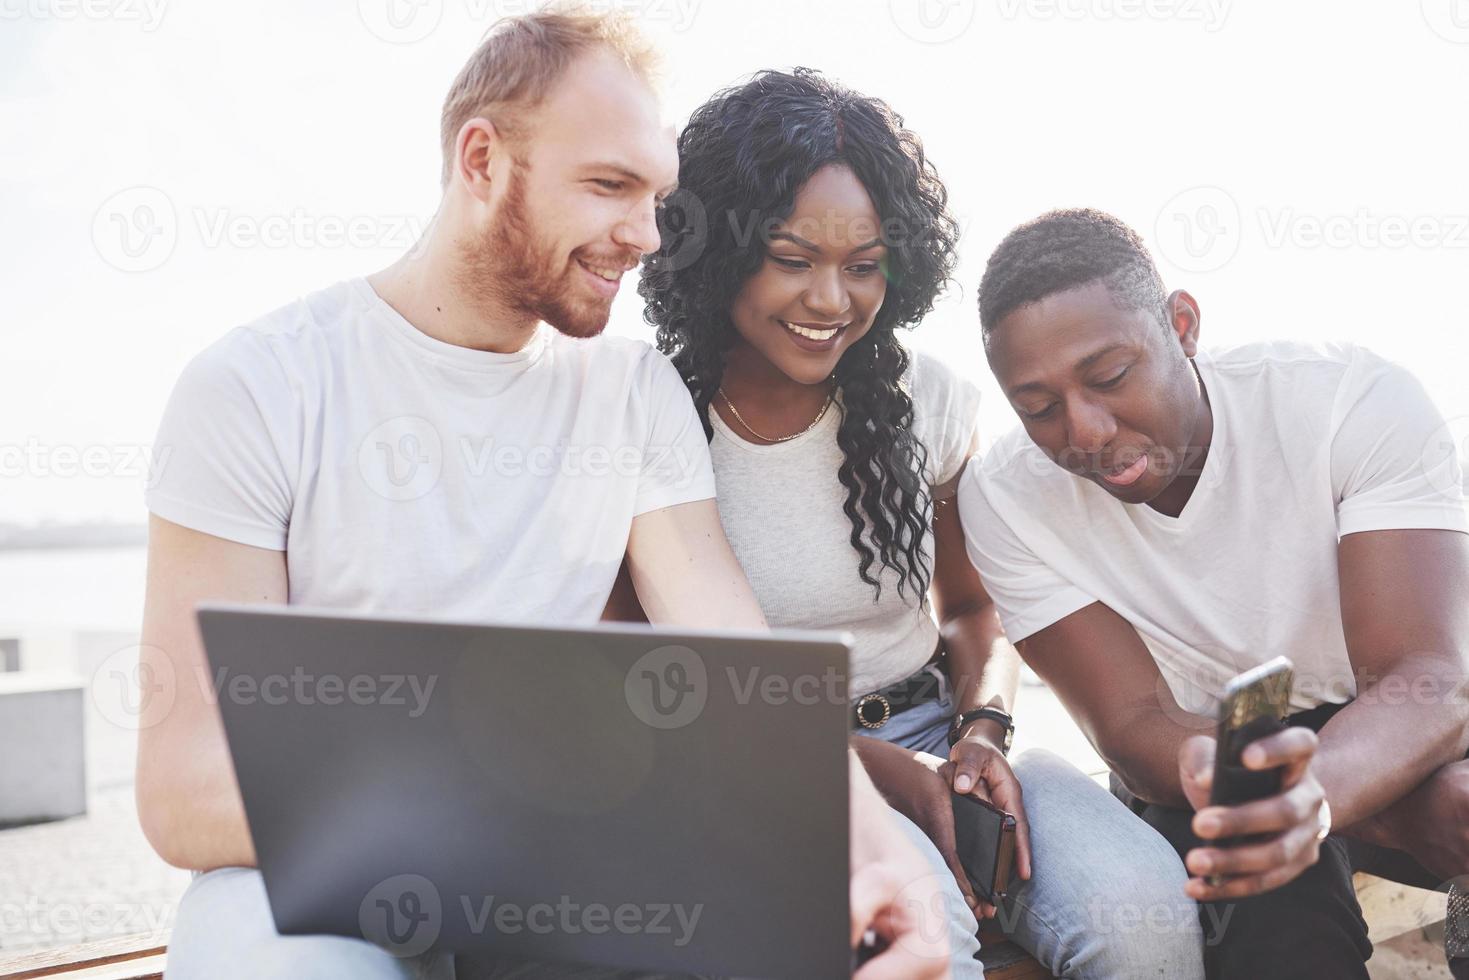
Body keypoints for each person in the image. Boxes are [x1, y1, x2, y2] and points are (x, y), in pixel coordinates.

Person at [138, 9, 956, 978]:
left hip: (553, 877)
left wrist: (873, 851)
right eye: (609, 186)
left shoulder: (632, 391)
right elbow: (182, 792)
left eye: (656, 196)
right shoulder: (257, 385)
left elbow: (743, 661)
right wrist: (492, 792)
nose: (646, 235)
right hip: (301, 873)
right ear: (480, 161)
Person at [615, 70, 1206, 979]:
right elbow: (631, 671)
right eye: (792, 258)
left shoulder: (924, 403)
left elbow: (973, 610)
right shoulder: (642, 414)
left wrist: (979, 734)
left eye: (863, 265)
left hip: (937, 736)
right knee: (925, 939)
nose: (830, 301)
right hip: (750, 767)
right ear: (721, 250)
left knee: (1146, 911)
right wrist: (867, 767)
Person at [960, 207, 1469, 978]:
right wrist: (1266, 803)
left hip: (1400, 726)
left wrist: (1316, 796)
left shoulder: (1346, 402)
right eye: (1038, 408)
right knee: (1265, 914)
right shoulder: (1005, 497)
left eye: (1108, 377)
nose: (1085, 430)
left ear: (1182, 324)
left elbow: (1424, 676)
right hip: (1201, 757)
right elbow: (1136, 722)